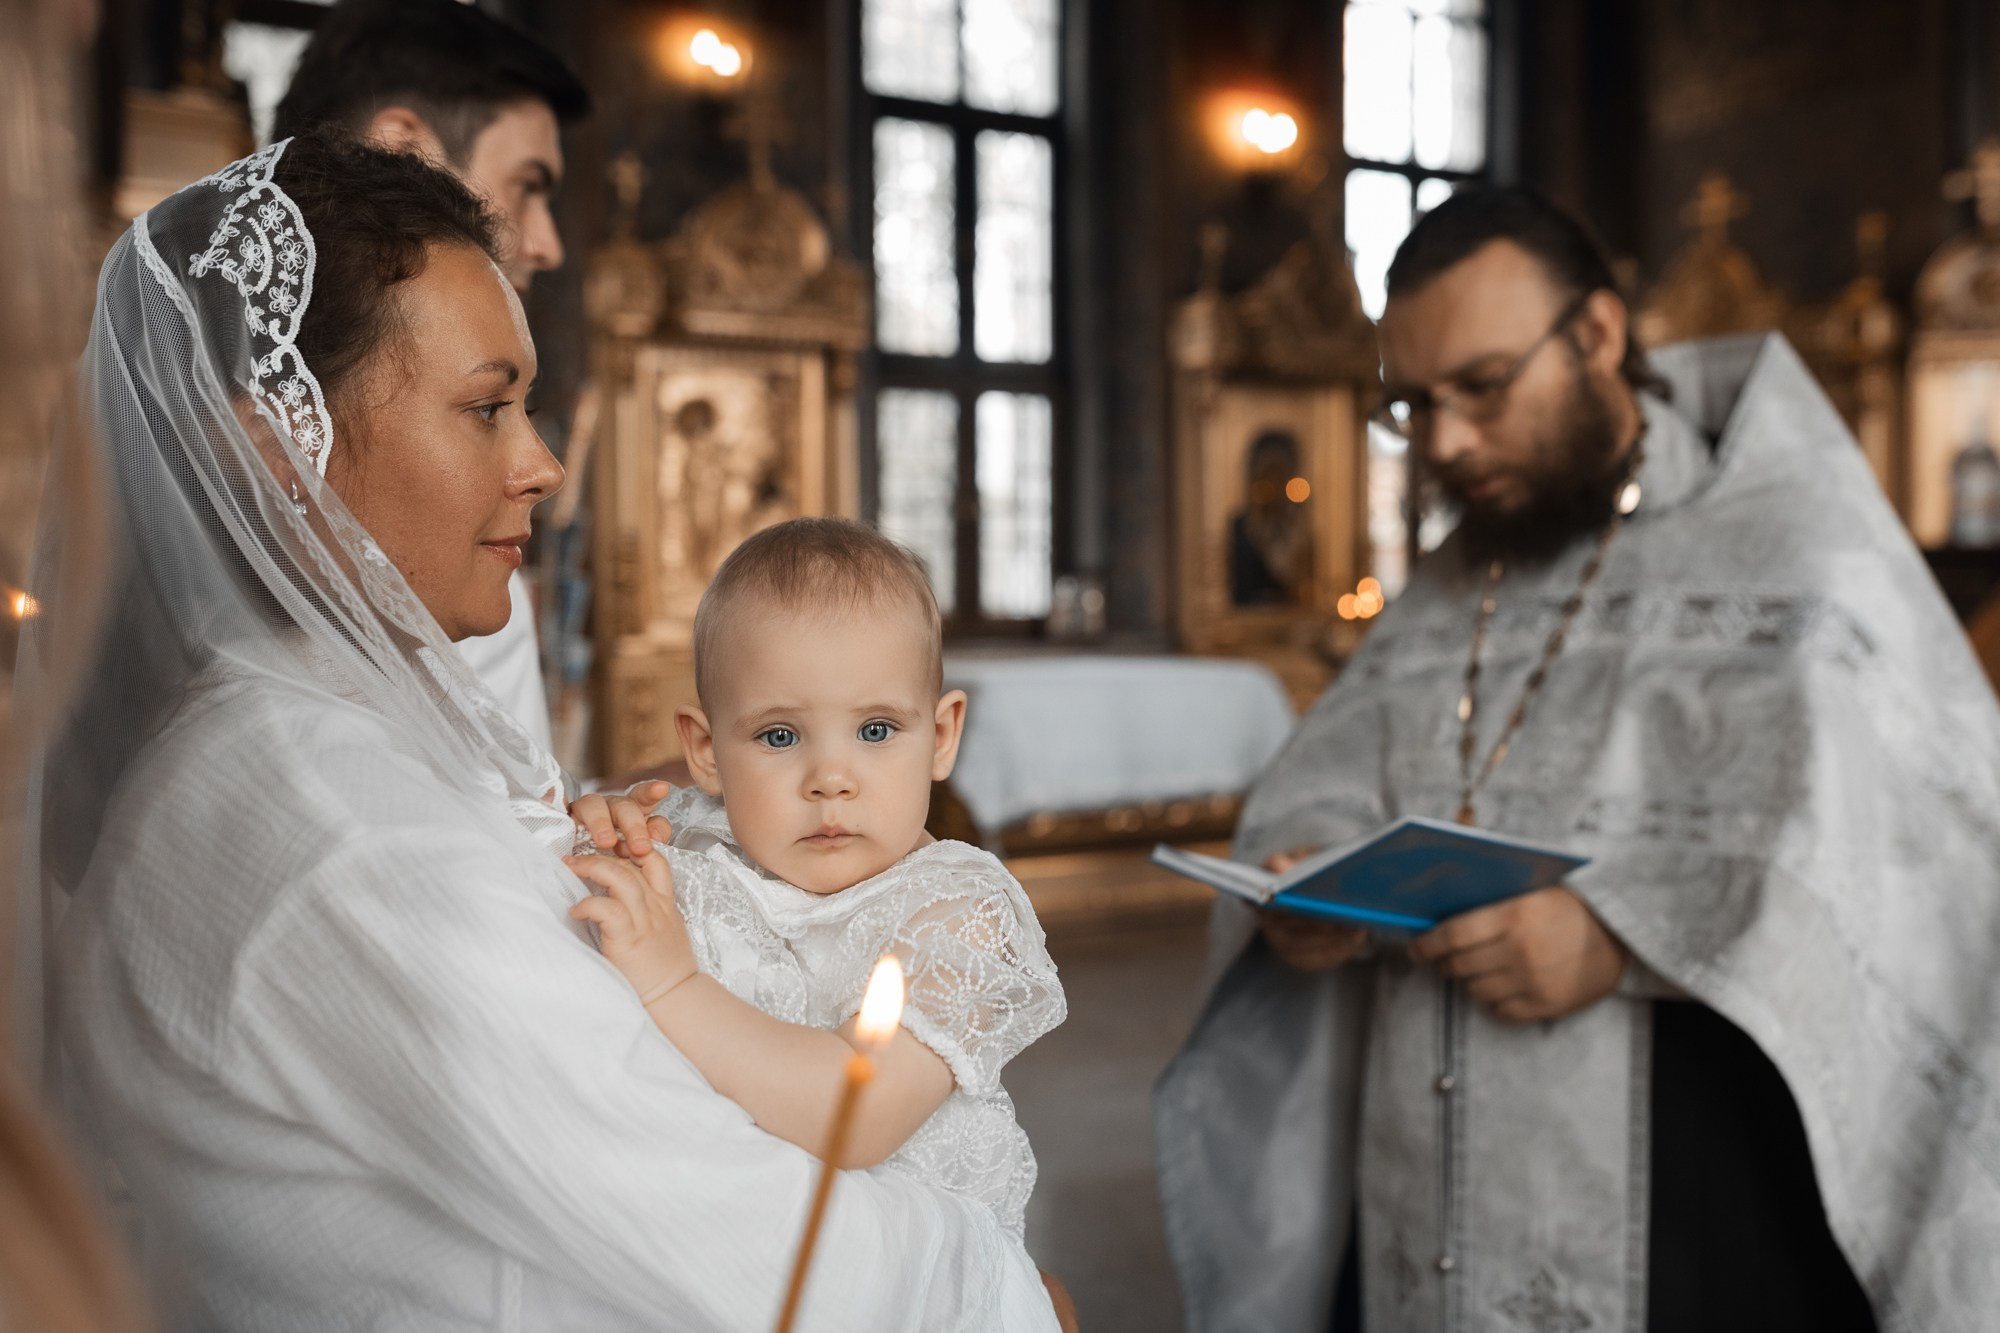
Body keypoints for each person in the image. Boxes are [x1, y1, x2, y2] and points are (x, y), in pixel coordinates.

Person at [37, 131, 1060, 1330]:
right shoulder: (332, 824)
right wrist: (1013, 1295)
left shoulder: (325, 733)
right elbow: (722, 1227)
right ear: (280, 454)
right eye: (486, 409)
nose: (544, 462)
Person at [1155, 187, 2000, 1331]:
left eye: (1482, 387)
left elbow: (1915, 876)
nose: (1445, 441)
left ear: (1596, 335)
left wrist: (1617, 939)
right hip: (1419, 1183)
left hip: (1699, 1207)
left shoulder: (1800, 552)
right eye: (1413, 405)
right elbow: (1335, 771)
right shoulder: (1468, 568)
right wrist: (1306, 888)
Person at [567, 518, 1065, 1247]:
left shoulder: (958, 913)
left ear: (943, 734)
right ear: (706, 750)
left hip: (906, 1273)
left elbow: (856, 1115)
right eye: (779, 735)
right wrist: (609, 828)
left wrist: (673, 983)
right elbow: (610, 850)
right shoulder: (696, 840)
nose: (831, 779)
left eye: (875, 731)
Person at [272, 0, 592, 752]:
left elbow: (516, 808)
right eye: (527, 184)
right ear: (402, 151)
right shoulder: (429, 552)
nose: (544, 244)